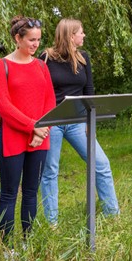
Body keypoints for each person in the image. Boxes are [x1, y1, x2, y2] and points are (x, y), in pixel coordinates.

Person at [39, 18, 119, 225]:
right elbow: (40, 92)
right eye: (81, 32)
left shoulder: (83, 57)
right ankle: (52, 223)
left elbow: (88, 90)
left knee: (101, 164)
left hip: (77, 121)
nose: (84, 36)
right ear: (70, 35)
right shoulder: (46, 58)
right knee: (50, 172)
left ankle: (112, 215)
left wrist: (88, 121)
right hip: (53, 122)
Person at [0, 15, 56, 244]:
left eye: (38, 40)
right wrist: (33, 128)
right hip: (13, 138)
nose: (36, 45)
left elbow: (50, 100)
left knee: (30, 193)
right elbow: (4, 106)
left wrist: (43, 130)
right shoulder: (2, 66)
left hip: (40, 138)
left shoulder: (40, 66)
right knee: (9, 194)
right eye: (31, 40)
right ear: (17, 38)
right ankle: (8, 248)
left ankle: (28, 242)